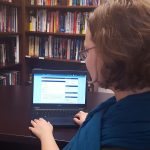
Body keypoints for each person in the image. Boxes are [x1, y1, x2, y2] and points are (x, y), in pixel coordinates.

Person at [29, 0, 150, 149]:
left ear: (110, 54)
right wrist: (93, 123)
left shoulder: (115, 142)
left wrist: (46, 134)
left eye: (86, 51)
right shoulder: (131, 109)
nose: (85, 60)